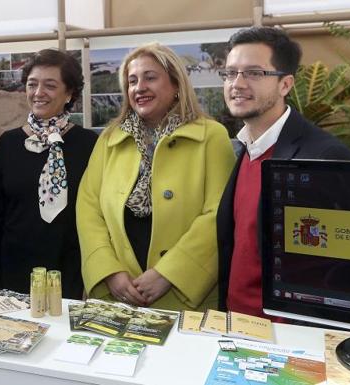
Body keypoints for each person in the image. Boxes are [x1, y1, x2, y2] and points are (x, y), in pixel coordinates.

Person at [77, 42, 235, 310]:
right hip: (117, 296)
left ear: (175, 85)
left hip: (184, 300)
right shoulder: (109, 139)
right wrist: (109, 272)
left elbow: (218, 214)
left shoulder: (212, 136)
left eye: (150, 77)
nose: (139, 87)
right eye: (132, 81)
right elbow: (88, 208)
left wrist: (169, 274)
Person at [216, 27, 350, 317]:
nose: (237, 84)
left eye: (254, 73)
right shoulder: (245, 148)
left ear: (285, 84)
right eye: (231, 73)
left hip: (289, 338)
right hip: (236, 324)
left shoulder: (323, 157)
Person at [0, 48, 97, 299]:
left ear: (69, 93)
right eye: (32, 84)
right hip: (14, 271)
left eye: (50, 85)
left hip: (69, 269)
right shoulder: (8, 143)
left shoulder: (89, 144)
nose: (38, 93)